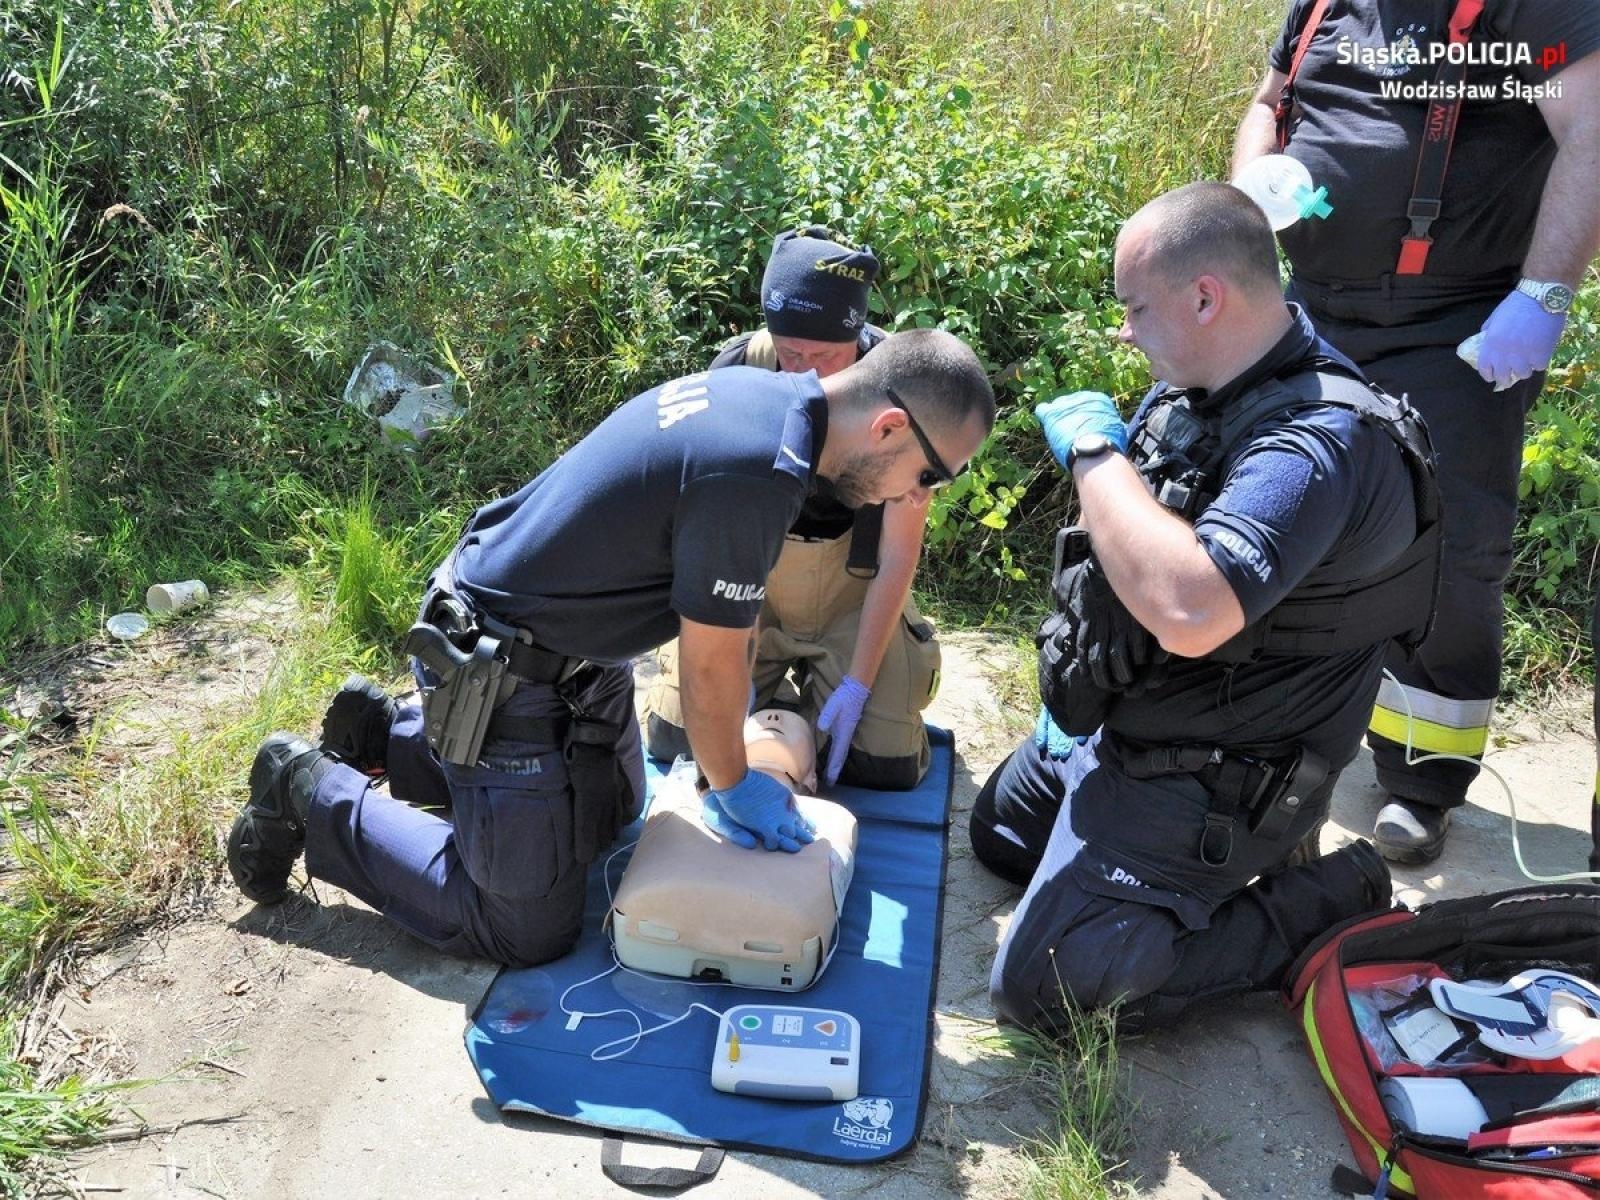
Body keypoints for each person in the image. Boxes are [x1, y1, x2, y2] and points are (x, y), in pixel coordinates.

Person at [226, 330, 995, 967]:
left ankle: (388, 738)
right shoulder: (758, 468)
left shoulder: (781, 407)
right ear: (890, 426)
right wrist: (733, 783)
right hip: (499, 663)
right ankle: (307, 785)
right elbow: (710, 664)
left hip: (579, 659)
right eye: (930, 475)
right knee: (524, 926)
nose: (919, 497)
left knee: (615, 819)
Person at [970, 182, 1439, 1032]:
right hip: (1143, 716)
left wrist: (1091, 453)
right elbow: (1129, 535)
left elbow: (1191, 610)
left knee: (1048, 983)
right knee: (1000, 834)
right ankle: (1145, 857)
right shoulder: (1205, 381)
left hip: (1232, 764)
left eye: (1135, 307)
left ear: (1205, 297)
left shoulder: (1313, 447)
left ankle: (1326, 898)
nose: (1124, 329)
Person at [1232, 1, 1600, 864]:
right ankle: (1272, 738)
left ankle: (1421, 779)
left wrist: (1545, 295)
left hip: (1459, 322)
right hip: (1313, 310)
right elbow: (1269, 98)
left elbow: (1589, 132)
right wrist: (1256, 183)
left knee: (1453, 554)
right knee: (1285, 525)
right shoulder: (1326, 2)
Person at [644, 227, 941, 791]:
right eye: (791, 352)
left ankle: (821, 692)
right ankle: (779, 702)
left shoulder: (900, 387)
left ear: (857, 337)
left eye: (826, 355)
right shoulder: (740, 370)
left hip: (854, 587)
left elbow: (899, 551)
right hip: (753, 580)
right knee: (674, 733)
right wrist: (735, 671)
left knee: (885, 766)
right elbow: (724, 536)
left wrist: (857, 683)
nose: (805, 370)